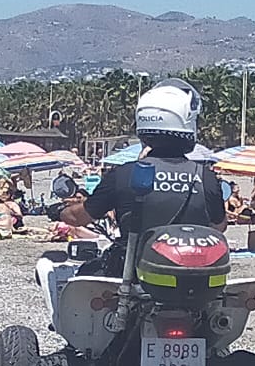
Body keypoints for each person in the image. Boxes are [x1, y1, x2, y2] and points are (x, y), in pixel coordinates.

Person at [58, 80, 225, 272]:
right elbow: (218, 226)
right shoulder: (205, 177)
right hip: (194, 275)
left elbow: (80, 217)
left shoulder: (122, 175)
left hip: (133, 273)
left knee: (83, 276)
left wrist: (60, 211)